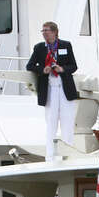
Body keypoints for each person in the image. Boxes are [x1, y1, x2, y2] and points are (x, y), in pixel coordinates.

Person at [26, 21, 78, 158]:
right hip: (49, 87)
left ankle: (68, 153)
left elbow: (73, 66)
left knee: (67, 121)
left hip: (64, 87)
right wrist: (42, 69)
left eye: (46, 30)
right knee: (51, 121)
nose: (44, 33)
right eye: (42, 31)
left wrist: (62, 69)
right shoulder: (39, 48)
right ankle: (50, 155)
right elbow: (30, 66)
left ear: (55, 32)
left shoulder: (65, 45)